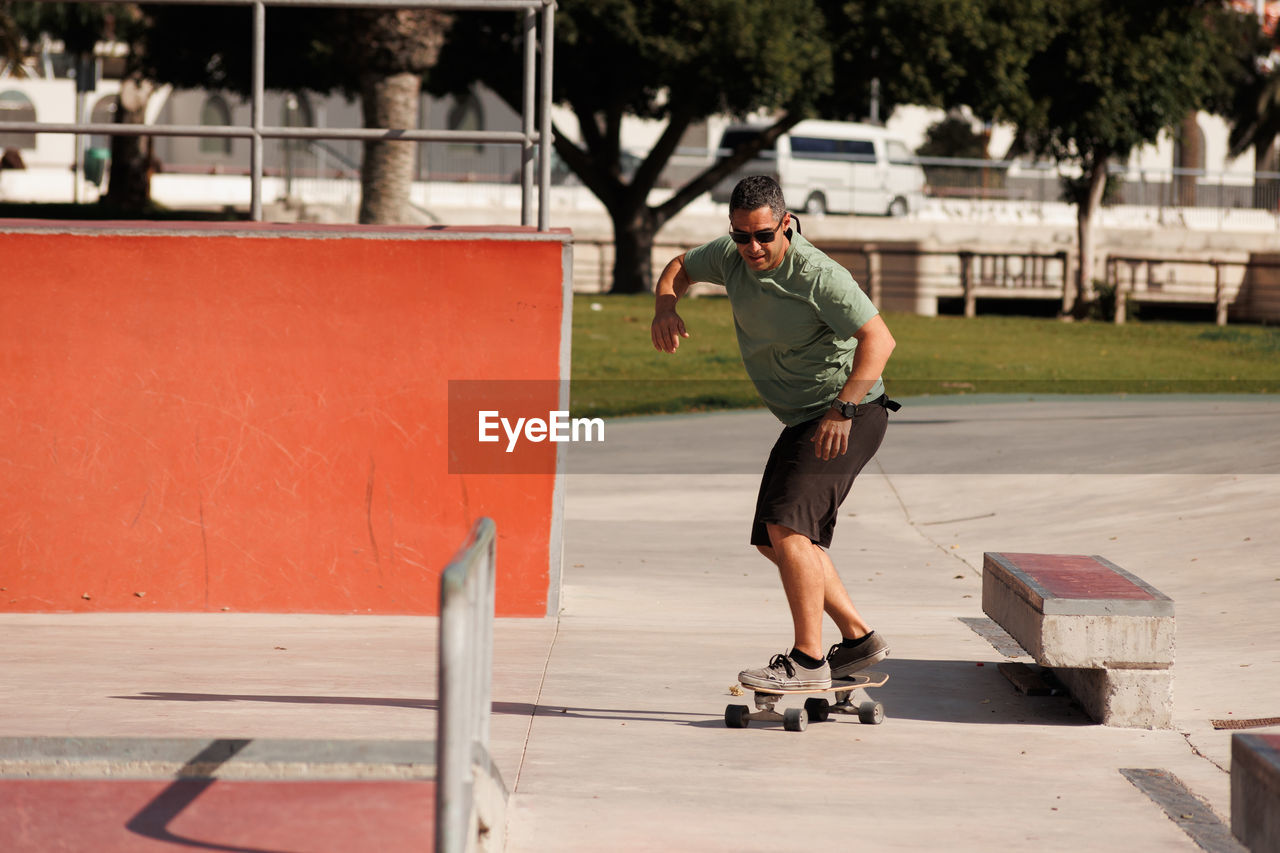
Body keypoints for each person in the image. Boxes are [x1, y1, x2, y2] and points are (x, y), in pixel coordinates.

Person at [650, 175, 898, 691]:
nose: (753, 248)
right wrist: (665, 306)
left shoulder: (818, 276)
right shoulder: (730, 254)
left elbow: (879, 340)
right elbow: (679, 266)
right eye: (742, 236)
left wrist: (841, 411)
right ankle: (857, 639)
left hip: (846, 414)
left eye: (763, 235)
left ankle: (808, 661)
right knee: (773, 539)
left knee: (789, 531)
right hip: (806, 419)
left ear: (786, 223)